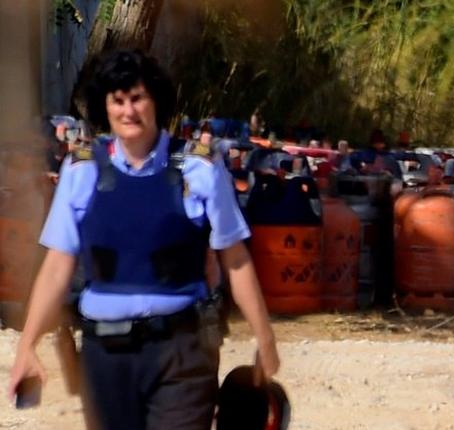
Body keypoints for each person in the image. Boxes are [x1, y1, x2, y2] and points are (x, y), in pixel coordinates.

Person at [7, 49, 279, 430]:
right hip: (105, 358)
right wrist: (27, 345)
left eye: (137, 98)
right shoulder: (81, 170)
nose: (128, 111)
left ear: (156, 101)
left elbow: (235, 259)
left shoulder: (198, 168)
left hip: (182, 353)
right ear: (105, 107)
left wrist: (264, 338)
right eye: (117, 101)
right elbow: (57, 267)